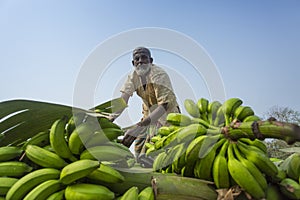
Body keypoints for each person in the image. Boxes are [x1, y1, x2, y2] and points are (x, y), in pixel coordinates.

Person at [110, 47, 180, 167]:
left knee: (152, 155)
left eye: (144, 58)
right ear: (133, 63)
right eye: (137, 59)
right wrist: (109, 119)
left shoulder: (158, 74)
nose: (140, 61)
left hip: (167, 117)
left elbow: (164, 105)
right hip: (148, 117)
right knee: (138, 149)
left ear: (150, 61)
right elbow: (123, 100)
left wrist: (138, 127)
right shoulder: (133, 77)